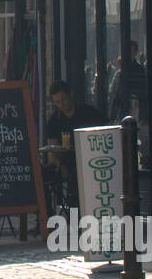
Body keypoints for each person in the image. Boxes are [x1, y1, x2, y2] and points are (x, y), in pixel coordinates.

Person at [44, 80, 106, 208]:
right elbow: (52, 153)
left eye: (64, 100)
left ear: (71, 95)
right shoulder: (54, 121)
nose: (62, 104)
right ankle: (45, 219)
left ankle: (77, 216)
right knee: (40, 175)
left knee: (76, 175)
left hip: (88, 160)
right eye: (57, 102)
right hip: (64, 162)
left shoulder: (88, 113)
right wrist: (61, 167)